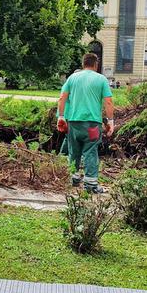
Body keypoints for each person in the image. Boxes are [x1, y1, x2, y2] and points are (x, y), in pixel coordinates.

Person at [57, 53, 114, 193]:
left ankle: (74, 178)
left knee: (73, 151)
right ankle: (91, 185)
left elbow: (62, 98)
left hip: (74, 123)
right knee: (90, 152)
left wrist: (61, 117)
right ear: (96, 64)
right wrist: (110, 121)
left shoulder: (72, 78)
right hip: (92, 124)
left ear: (83, 63)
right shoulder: (101, 79)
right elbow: (108, 101)